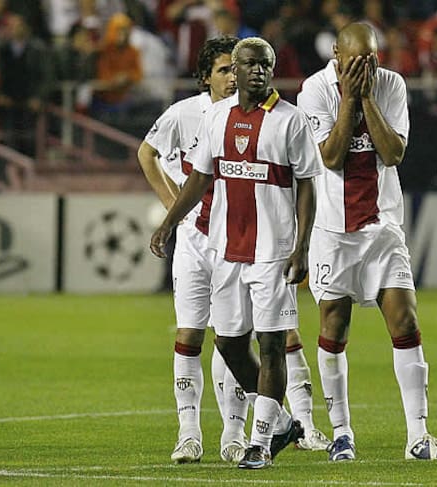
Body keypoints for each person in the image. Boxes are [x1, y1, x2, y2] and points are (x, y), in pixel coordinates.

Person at [139, 35, 329, 463]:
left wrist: (301, 247)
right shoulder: (216, 117)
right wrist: (168, 223)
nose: (257, 71)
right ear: (235, 71)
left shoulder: (291, 120)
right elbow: (199, 178)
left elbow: (307, 186)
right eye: (248, 64)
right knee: (227, 343)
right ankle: (282, 424)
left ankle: (258, 443)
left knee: (272, 345)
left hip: (272, 251)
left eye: (265, 64)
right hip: (225, 249)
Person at [297, 22, 437, 462]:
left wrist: (365, 97)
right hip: (334, 232)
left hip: (383, 228)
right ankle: (342, 433)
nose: (367, 67)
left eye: (372, 58)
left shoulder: (391, 85)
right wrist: (349, 98)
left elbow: (393, 153)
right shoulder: (314, 90)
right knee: (333, 327)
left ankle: (418, 435)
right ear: (337, 57)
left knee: (405, 320)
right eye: (357, 61)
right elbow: (331, 156)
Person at [139, 36, 250, 464]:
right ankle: (188, 434)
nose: (233, 77)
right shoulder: (183, 114)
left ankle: (234, 435)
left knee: (231, 339)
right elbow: (146, 153)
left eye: (237, 69)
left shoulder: (254, 116)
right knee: (189, 334)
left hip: (237, 242)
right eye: (223, 70)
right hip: (194, 242)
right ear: (205, 77)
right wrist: (174, 209)